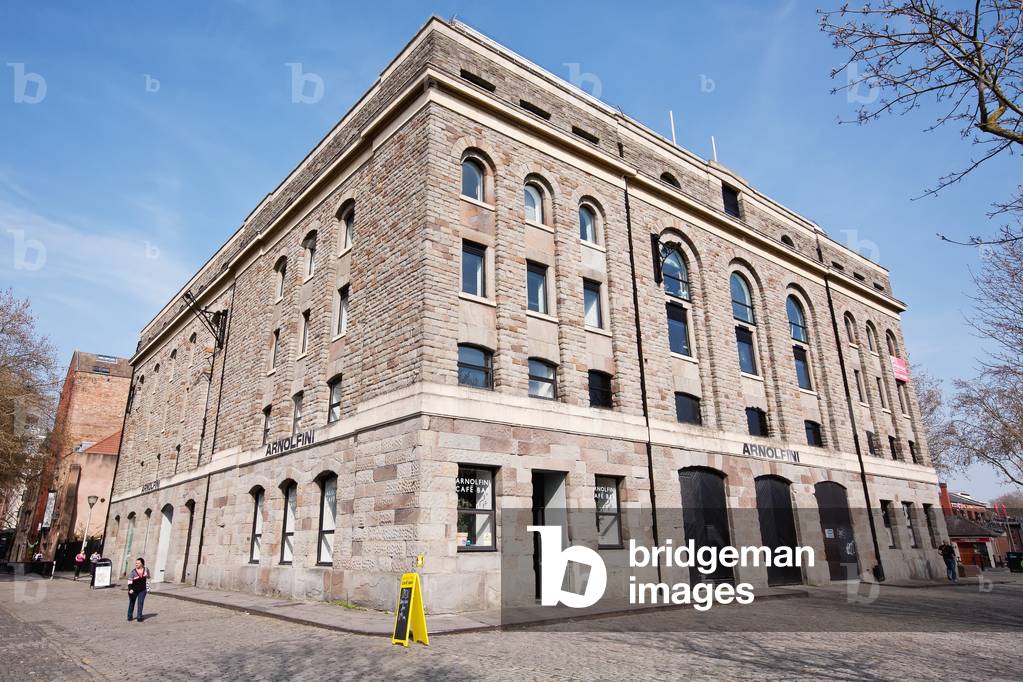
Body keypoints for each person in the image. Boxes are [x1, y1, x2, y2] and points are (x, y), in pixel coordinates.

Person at [127, 558, 150, 622]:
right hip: (133, 590)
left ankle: (139, 617)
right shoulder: (133, 572)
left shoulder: (146, 569)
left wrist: (147, 577)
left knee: (140, 603)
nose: (136, 564)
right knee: (132, 603)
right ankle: (129, 616)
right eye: (136, 563)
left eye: (138, 563)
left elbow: (148, 577)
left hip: (142, 590)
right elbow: (129, 581)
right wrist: (130, 589)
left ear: (142, 563)